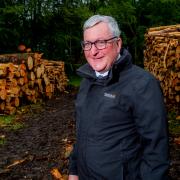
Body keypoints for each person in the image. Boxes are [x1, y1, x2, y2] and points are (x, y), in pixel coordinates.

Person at [68, 15, 169, 180]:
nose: (93, 51)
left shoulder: (142, 84)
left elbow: (156, 149)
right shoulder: (87, 81)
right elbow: (82, 133)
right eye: (87, 44)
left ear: (118, 43)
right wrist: (74, 170)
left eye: (101, 42)